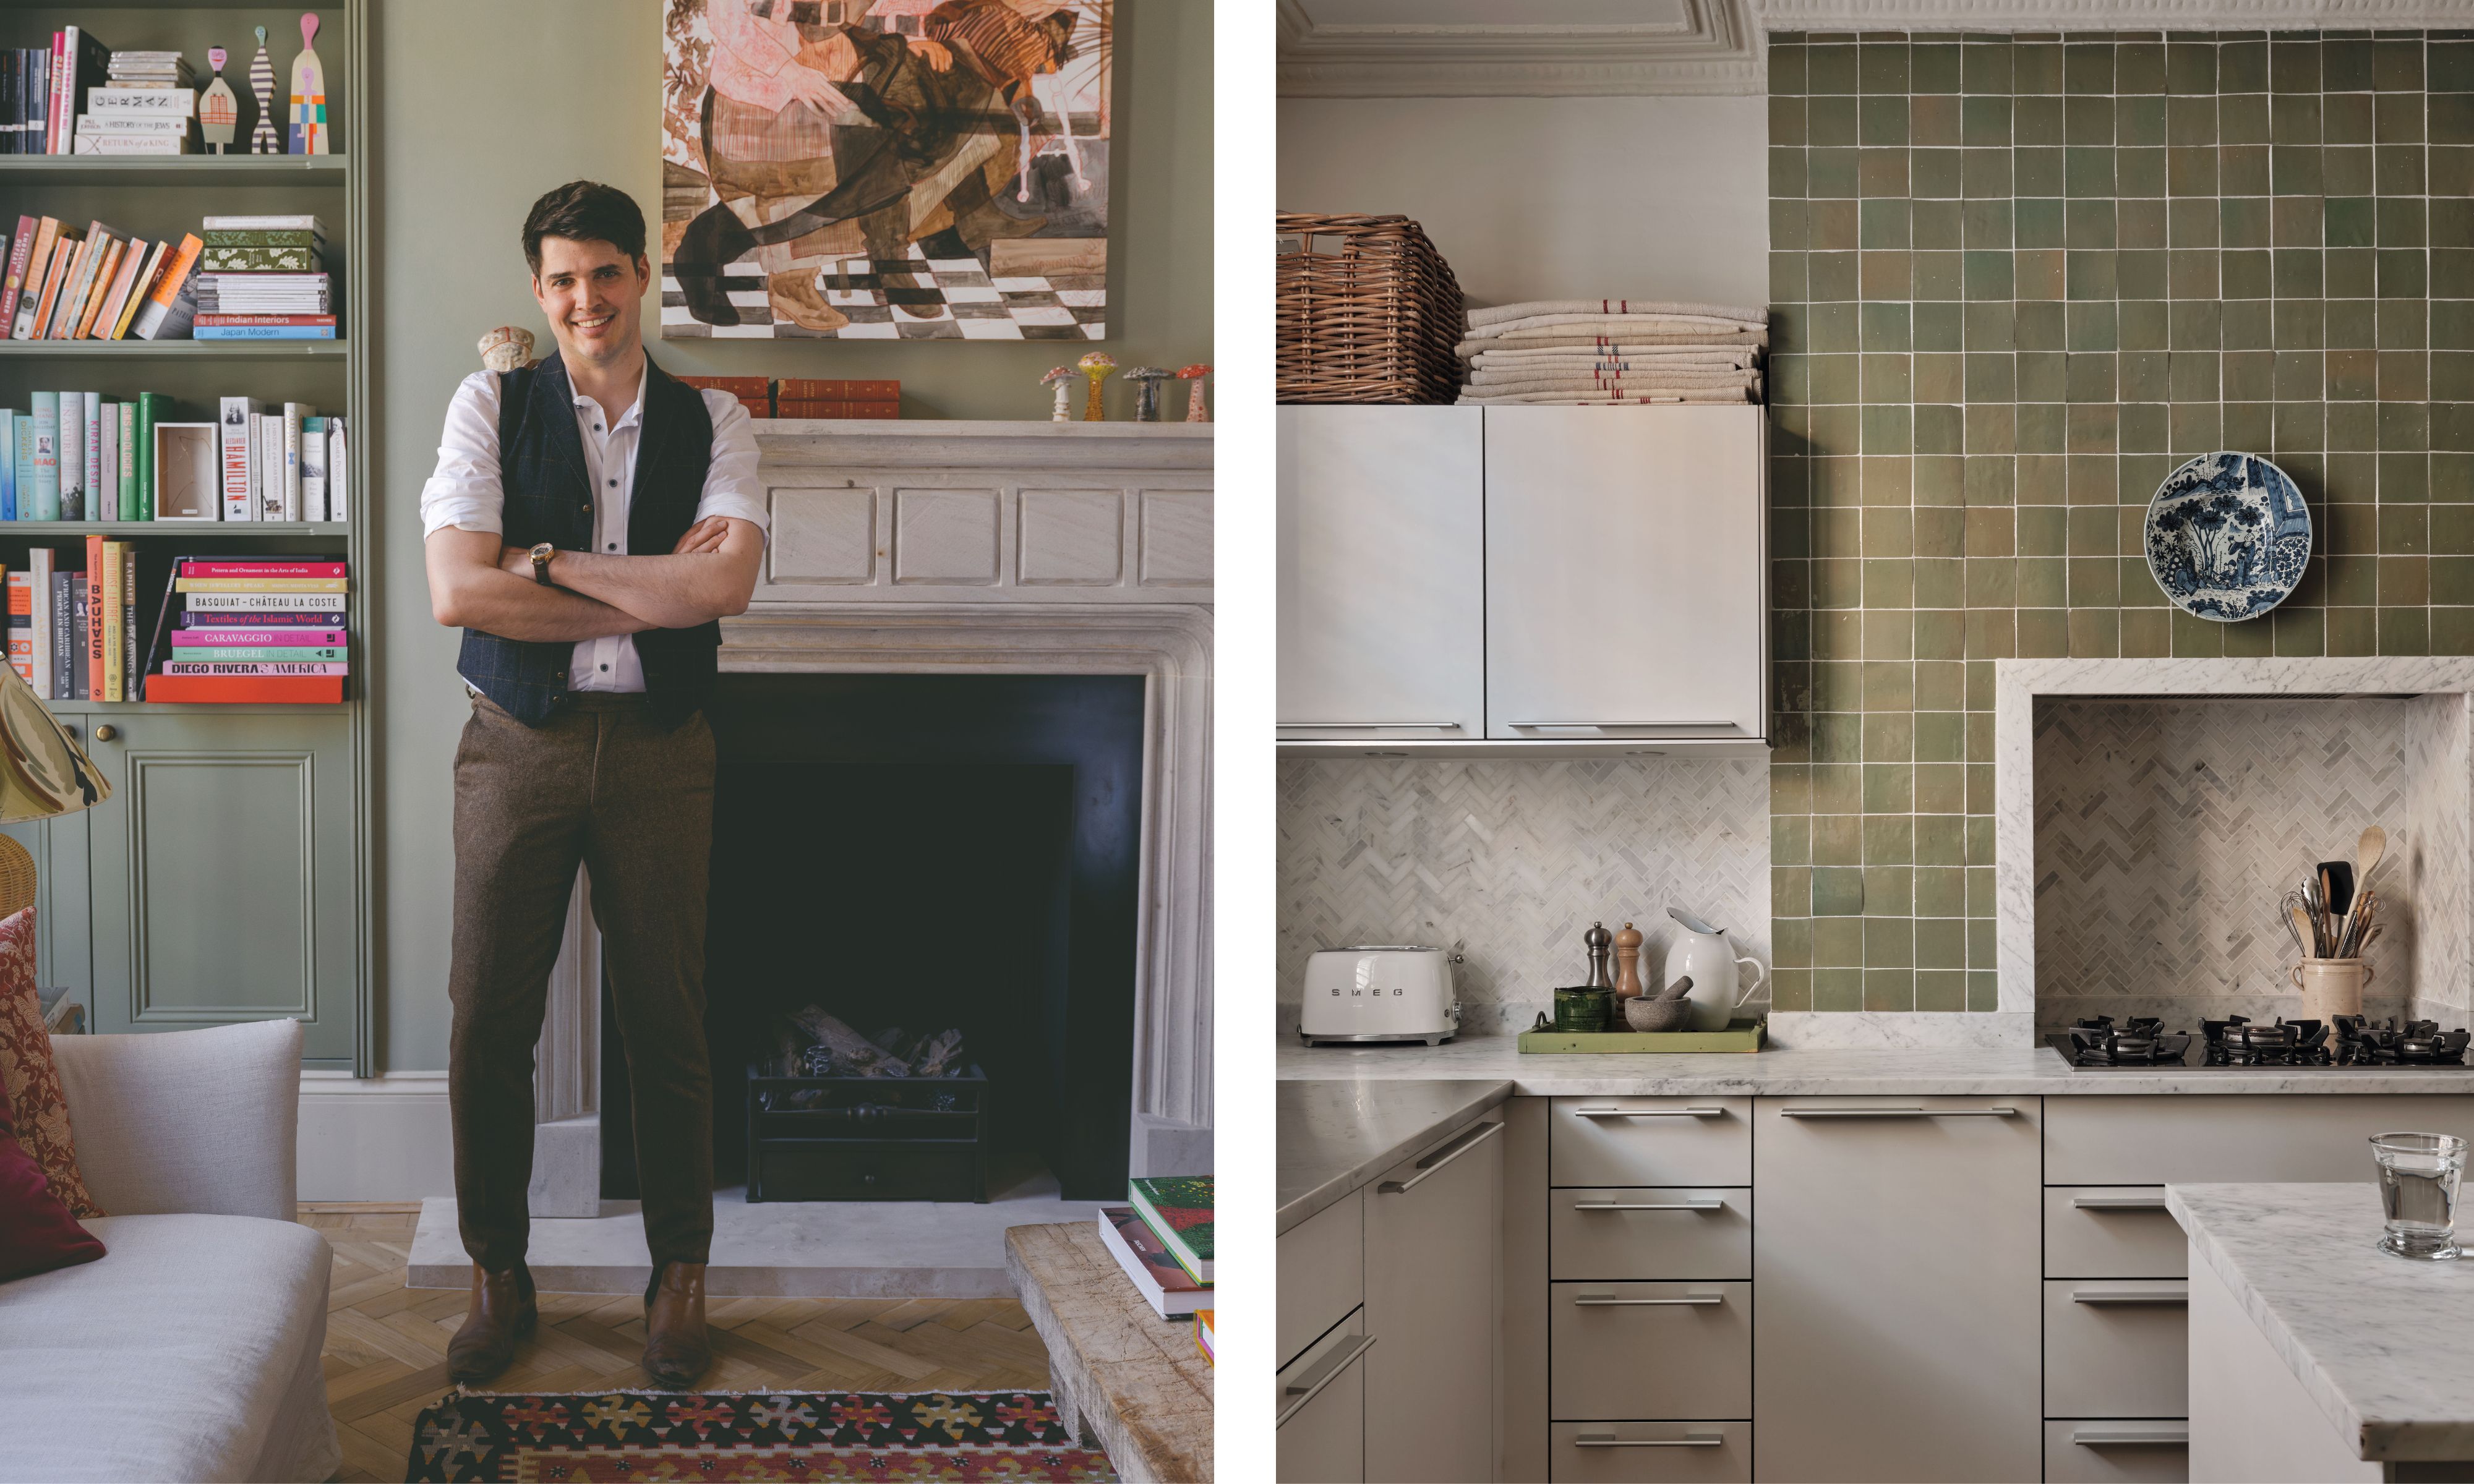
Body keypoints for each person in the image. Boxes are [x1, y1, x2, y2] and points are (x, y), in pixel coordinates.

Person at [418, 179, 768, 1388]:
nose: (585, 299)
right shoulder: (486, 404)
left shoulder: (714, 417)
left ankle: (679, 1276)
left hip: (665, 749)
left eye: (605, 273)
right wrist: (642, 581)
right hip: (517, 745)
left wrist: (550, 559)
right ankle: (496, 1272)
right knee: (486, 1023)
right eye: (561, 279)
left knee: (668, 1022)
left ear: (642, 277)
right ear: (538, 289)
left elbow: (719, 593)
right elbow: (458, 593)